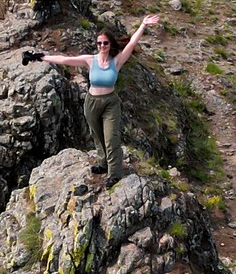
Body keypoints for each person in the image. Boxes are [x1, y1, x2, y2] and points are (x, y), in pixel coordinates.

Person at [23, 14, 161, 187]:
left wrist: (143, 25)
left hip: (110, 102)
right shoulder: (90, 60)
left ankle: (115, 173)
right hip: (92, 102)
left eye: (105, 43)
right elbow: (65, 60)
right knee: (97, 134)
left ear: (110, 45)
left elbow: (132, 43)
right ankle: (103, 164)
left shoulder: (116, 61)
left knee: (111, 137)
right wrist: (41, 57)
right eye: (99, 43)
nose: (102, 46)